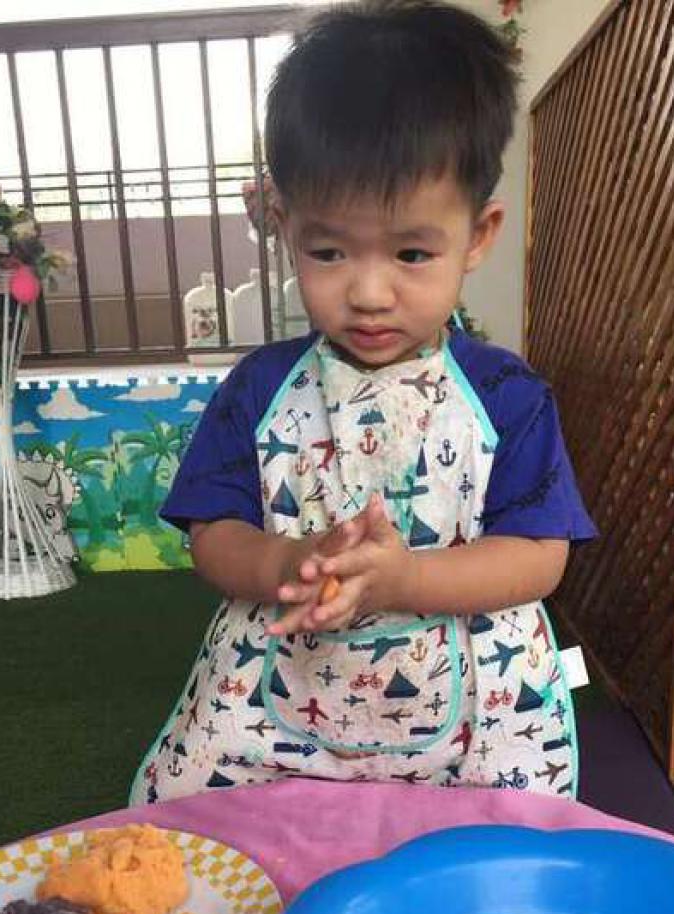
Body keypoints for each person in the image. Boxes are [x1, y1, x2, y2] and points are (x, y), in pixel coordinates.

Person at [130, 0, 596, 806]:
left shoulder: (508, 396)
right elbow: (214, 535)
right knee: (208, 832)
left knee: (494, 846)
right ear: (285, 226)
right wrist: (284, 563)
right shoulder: (257, 389)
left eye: (412, 252)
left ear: (478, 235)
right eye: (329, 251)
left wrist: (406, 577)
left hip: (473, 716)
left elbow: (537, 556)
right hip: (276, 702)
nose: (369, 292)